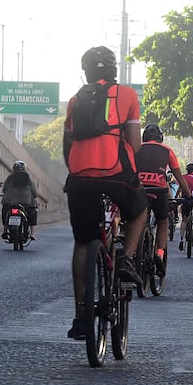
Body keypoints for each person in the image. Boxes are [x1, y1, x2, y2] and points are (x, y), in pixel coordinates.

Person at [62, 45, 147, 340]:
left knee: (83, 243)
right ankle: (126, 258)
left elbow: (67, 144)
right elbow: (135, 145)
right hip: (116, 175)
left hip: (79, 177)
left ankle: (80, 316)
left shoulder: (75, 100)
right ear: (114, 70)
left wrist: (78, 172)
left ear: (85, 71)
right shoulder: (127, 95)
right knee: (140, 209)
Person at [135, 123, 191, 273]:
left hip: (138, 190)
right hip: (158, 191)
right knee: (162, 221)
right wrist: (188, 195)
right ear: (160, 137)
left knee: (135, 220)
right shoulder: (167, 150)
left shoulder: (135, 148)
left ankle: (133, 250)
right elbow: (179, 177)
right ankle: (159, 253)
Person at [1, 160, 38, 240]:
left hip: (10, 203)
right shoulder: (28, 179)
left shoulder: (9, 179)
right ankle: (32, 232)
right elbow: (34, 193)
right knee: (32, 213)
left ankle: (4, 230)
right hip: (26, 203)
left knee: (5, 212)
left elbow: (4, 190)